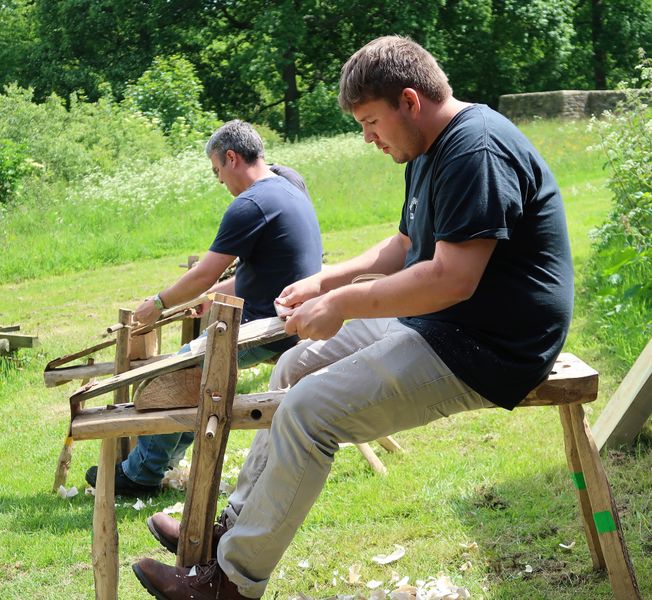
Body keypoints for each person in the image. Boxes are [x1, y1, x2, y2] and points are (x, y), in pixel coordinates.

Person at [132, 35, 574, 600]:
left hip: (493, 345)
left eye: (369, 122)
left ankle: (231, 584)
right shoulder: (427, 149)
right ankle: (232, 528)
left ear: (409, 101)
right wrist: (328, 278)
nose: (367, 137)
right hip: (445, 322)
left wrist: (341, 305)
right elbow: (405, 244)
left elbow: (450, 278)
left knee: (310, 412)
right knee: (292, 368)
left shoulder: (474, 150)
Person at [85, 119, 323, 497]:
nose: (220, 183)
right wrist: (211, 297)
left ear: (231, 158)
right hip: (298, 311)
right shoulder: (288, 183)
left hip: (275, 327)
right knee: (191, 372)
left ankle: (141, 475)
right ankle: (159, 465)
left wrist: (158, 304)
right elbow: (267, 268)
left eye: (217, 171)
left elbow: (202, 275)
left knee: (179, 369)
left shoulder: (250, 204)